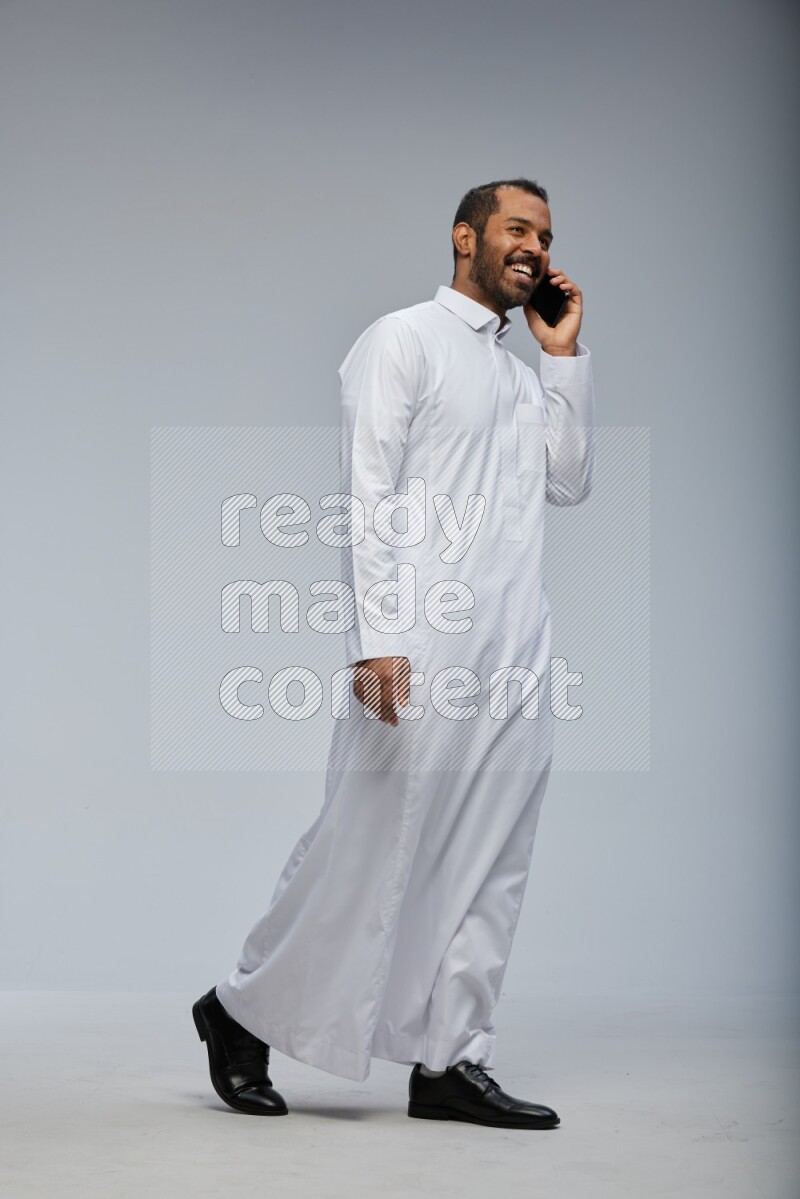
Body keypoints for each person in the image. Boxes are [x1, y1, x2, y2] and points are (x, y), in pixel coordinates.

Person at [193, 177, 595, 1129]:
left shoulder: (518, 369)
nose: (534, 247)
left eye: (545, 234)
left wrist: (565, 356)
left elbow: (569, 482)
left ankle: (451, 1059)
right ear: (466, 237)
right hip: (419, 640)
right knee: (364, 843)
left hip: (514, 645)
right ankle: (239, 1009)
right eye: (516, 228)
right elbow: (365, 494)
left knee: (493, 855)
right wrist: (376, 641)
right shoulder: (401, 340)